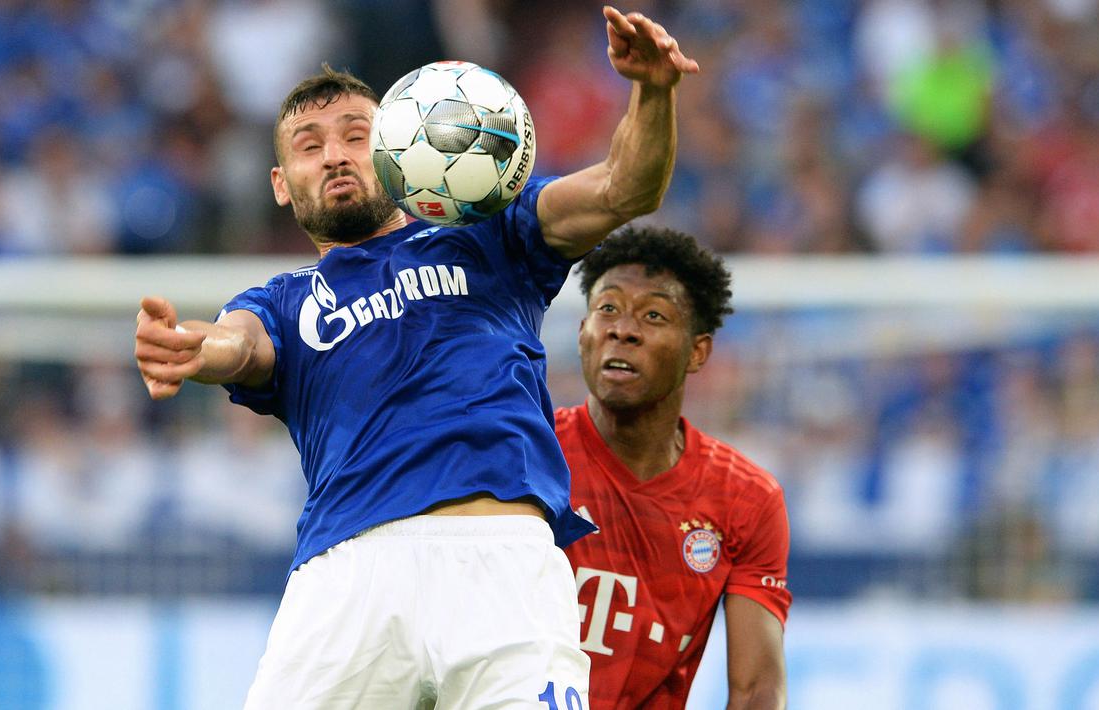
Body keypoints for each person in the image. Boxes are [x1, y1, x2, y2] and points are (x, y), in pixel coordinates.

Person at [133, 6, 697, 709]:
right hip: (349, 578)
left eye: (355, 136)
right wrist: (193, 346)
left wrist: (652, 91)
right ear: (281, 184)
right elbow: (237, 343)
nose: (334, 154)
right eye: (309, 145)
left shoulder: (490, 238)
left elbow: (623, 187)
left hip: (504, 566)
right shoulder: (282, 299)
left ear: (398, 151)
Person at [557, 225, 790, 710]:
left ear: (697, 352)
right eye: (608, 308)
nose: (623, 329)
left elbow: (756, 691)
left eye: (654, 315)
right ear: (583, 333)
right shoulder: (525, 452)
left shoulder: (744, 499)